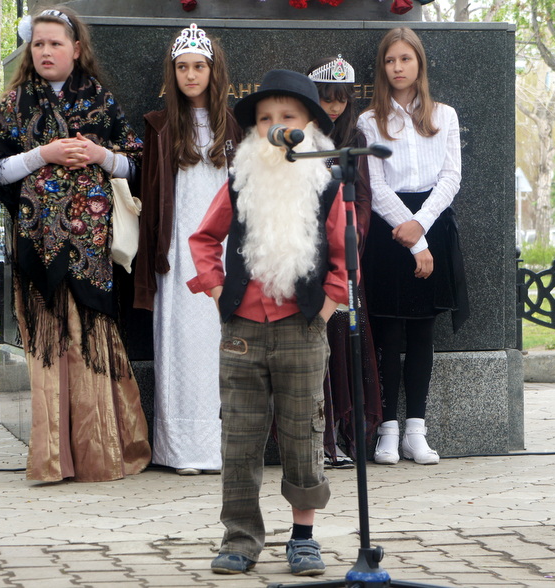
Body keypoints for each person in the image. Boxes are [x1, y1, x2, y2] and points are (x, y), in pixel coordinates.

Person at [187, 69, 350, 576]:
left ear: (309, 126)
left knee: (304, 432)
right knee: (240, 436)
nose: (275, 126)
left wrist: (326, 307)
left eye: (287, 117)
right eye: (265, 120)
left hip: (301, 326)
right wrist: (216, 291)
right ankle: (240, 536)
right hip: (242, 329)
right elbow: (203, 239)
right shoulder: (239, 181)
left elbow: (345, 255)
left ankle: (303, 537)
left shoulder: (327, 183)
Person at [0, 7, 151, 482]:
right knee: (51, 347)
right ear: (29, 51)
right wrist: (44, 154)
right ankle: (54, 459)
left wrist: (101, 156)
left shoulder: (101, 102)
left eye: (55, 43)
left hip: (92, 251)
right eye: (38, 44)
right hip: (38, 245)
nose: (46, 51)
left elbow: (140, 167)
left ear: (77, 50)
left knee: (90, 344)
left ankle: (101, 456)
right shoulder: (15, 104)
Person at [132, 23, 242, 476]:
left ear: (213, 72)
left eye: (199, 66)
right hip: (176, 252)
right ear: (172, 73)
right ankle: (179, 450)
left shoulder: (232, 127)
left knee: (220, 343)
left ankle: (218, 448)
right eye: (182, 67)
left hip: (220, 249)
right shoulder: (160, 127)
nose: (191, 75)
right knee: (180, 343)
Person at [357, 27, 469, 466]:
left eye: (405, 59)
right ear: (382, 68)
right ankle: (387, 430)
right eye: (390, 61)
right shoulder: (370, 122)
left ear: (419, 63)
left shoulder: (445, 116)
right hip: (389, 229)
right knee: (387, 332)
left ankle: (415, 431)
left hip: (431, 224)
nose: (398, 67)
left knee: (422, 331)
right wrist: (407, 232)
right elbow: (376, 184)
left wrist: (420, 229)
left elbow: (450, 178)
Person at [305, 55, 382, 468]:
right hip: (310, 259)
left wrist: (352, 238)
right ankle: (315, 439)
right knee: (314, 348)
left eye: (341, 98)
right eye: (326, 98)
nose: (334, 107)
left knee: (344, 344)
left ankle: (342, 434)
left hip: (345, 259)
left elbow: (365, 197)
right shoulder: (301, 139)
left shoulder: (355, 137)